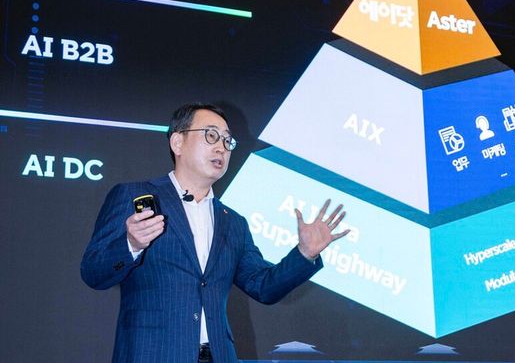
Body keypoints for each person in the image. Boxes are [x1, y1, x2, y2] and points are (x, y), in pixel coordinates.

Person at [81, 103, 349, 363]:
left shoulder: (233, 222)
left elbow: (264, 287)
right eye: (211, 135)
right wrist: (131, 244)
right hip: (153, 353)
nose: (221, 147)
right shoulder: (133, 195)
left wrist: (304, 254)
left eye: (227, 141)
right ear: (178, 142)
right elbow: (94, 272)